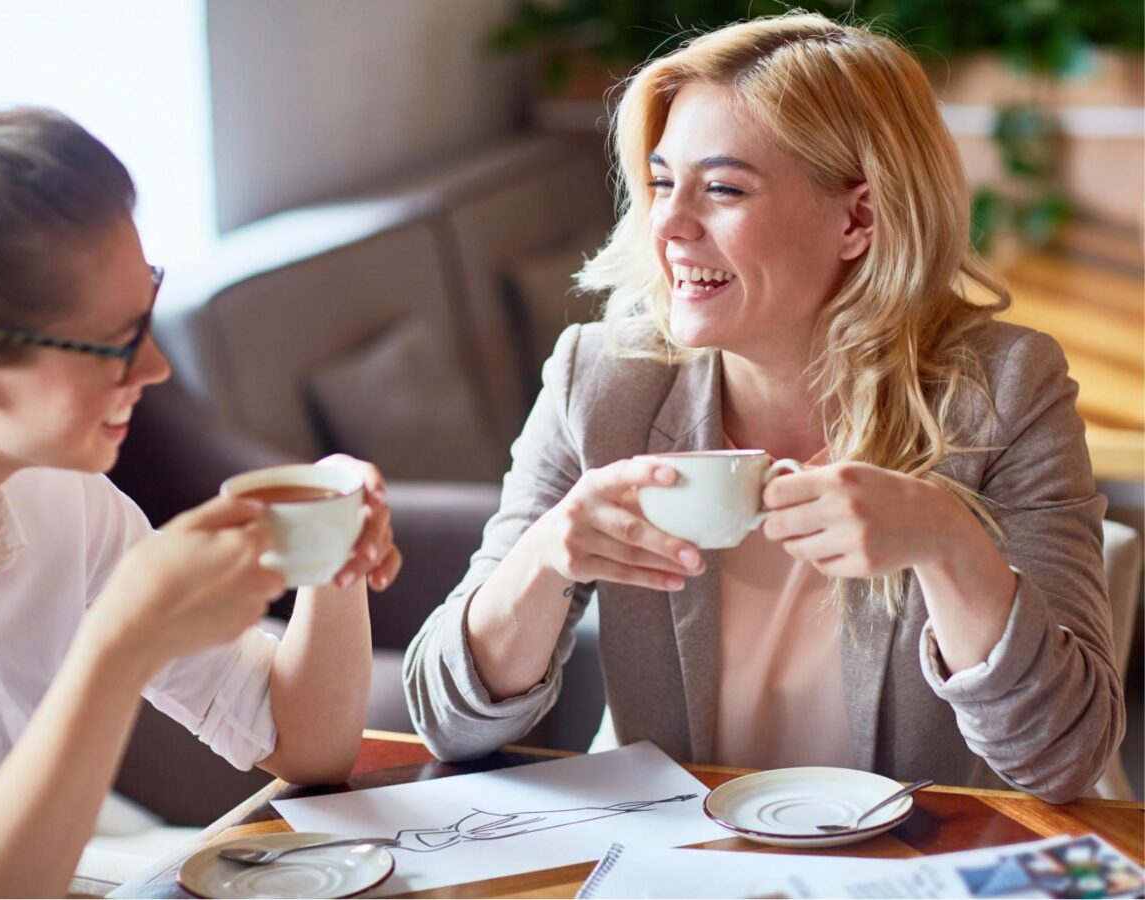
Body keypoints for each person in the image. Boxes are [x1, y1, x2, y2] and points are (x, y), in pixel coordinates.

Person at [404, 13, 1124, 804]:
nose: (670, 226)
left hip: (899, 870)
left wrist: (951, 546)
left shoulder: (1005, 391)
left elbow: (1066, 757)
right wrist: (545, 556)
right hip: (670, 860)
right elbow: (446, 721)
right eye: (660, 182)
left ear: (859, 219)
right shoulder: (602, 379)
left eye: (721, 189)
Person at [0, 108, 401, 896]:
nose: (154, 367)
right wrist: (120, 644)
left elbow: (306, 744)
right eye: (118, 341)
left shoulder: (62, 503)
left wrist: (330, 548)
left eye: (148, 312)